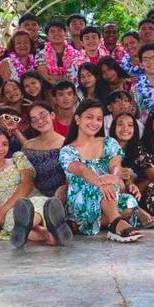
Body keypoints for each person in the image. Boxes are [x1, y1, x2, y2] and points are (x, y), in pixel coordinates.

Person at [0, 126, 70, 247]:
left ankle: (34, 227)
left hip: (31, 199)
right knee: (16, 219)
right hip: (10, 212)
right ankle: (48, 233)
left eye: (5, 144)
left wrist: (2, 210)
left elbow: (27, 184)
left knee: (34, 207)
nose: (0, 148)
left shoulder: (17, 158)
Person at [61, 99, 145, 241]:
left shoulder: (109, 142)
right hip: (81, 200)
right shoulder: (67, 150)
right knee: (99, 189)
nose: (94, 122)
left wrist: (113, 176)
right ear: (78, 119)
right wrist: (101, 182)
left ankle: (82, 225)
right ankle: (116, 223)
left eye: (99, 119)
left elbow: (115, 165)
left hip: (109, 194)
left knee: (129, 202)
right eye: (89, 117)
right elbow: (82, 170)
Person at [21, 101, 69, 202]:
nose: (40, 121)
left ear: (52, 115)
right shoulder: (28, 146)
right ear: (32, 125)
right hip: (32, 197)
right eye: (34, 120)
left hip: (60, 198)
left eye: (43, 115)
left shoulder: (67, 144)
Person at [37, 21, 84, 85]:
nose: (56, 33)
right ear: (47, 36)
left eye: (59, 30)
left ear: (65, 34)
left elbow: (76, 75)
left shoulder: (76, 54)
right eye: (52, 31)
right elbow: (46, 77)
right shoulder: (40, 55)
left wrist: (57, 77)